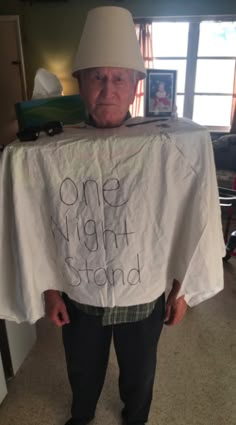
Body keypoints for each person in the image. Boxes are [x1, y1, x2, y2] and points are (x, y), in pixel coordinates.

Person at [43, 6, 219, 425]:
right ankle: (81, 416)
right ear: (80, 84)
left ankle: (135, 419)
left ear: (136, 85)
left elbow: (183, 215)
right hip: (79, 293)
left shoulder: (167, 148)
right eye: (96, 77)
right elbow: (40, 223)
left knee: (140, 372)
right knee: (83, 368)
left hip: (143, 293)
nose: (107, 89)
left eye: (118, 77)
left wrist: (182, 287)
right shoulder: (51, 153)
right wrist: (49, 290)